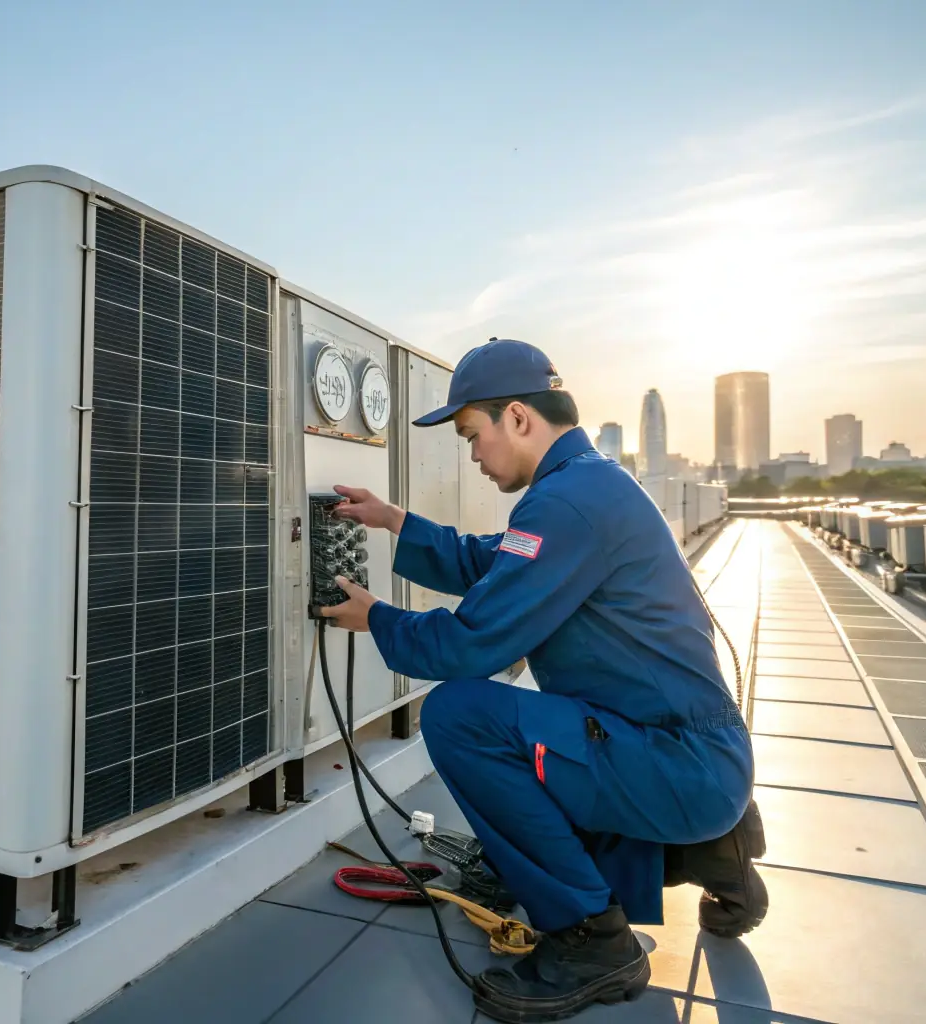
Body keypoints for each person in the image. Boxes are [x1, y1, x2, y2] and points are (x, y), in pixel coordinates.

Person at [319, 339, 767, 1023]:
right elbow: (488, 562)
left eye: (473, 435)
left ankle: (594, 945)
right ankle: (710, 848)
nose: (472, 455)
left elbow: (474, 643)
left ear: (519, 419)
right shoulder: (586, 483)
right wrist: (392, 521)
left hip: (678, 764)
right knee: (523, 822)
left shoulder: (566, 505)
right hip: (690, 753)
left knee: (458, 717)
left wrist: (374, 618)